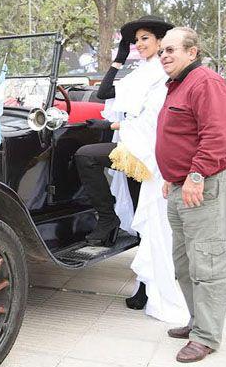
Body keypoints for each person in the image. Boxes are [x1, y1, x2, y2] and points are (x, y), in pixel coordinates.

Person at [73, 16, 190, 324]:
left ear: (161, 42)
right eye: (135, 40)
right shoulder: (140, 71)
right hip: (132, 146)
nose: (139, 44)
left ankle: (142, 282)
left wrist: (111, 124)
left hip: (147, 151)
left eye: (145, 39)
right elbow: (105, 92)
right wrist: (119, 58)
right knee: (143, 215)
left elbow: (152, 119)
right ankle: (113, 227)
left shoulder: (160, 73)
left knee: (147, 215)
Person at [156, 27, 226, 363]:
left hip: (206, 186)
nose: (164, 55)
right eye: (162, 50)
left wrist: (194, 174)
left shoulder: (205, 82)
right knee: (184, 263)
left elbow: (218, 137)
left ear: (193, 52)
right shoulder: (177, 85)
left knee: (208, 263)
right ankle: (197, 322)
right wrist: (172, 177)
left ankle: (206, 336)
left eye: (171, 49)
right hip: (182, 187)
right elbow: (181, 136)